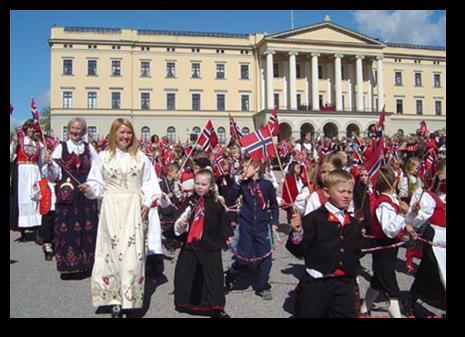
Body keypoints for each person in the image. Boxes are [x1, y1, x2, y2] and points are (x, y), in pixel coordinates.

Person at [81, 118, 161, 318]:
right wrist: (89, 188)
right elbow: (96, 182)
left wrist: (147, 201)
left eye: (128, 133)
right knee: (111, 253)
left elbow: (150, 183)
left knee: (133, 254)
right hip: (111, 208)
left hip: (133, 208)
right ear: (114, 134)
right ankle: (113, 300)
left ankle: (130, 298)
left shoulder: (141, 157)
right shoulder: (103, 156)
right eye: (121, 132)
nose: (125, 136)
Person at [286, 170, 362, 318]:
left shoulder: (352, 223)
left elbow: (356, 250)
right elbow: (298, 251)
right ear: (326, 192)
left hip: (344, 282)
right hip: (317, 282)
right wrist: (297, 232)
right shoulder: (314, 219)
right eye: (341, 191)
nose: (346, 195)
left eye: (349, 192)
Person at [168, 169, 233, 318]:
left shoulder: (216, 203)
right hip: (191, 244)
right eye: (197, 183)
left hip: (210, 245)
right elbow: (180, 217)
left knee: (212, 278)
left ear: (211, 186)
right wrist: (181, 223)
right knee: (186, 274)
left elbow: (223, 220)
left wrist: (227, 234)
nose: (199, 187)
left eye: (203, 184)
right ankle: (186, 303)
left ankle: (214, 307)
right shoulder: (189, 200)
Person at [43, 117, 99, 279]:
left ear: (83, 131)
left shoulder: (89, 149)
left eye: (79, 129)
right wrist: (48, 164)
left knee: (87, 228)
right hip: (67, 195)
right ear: (69, 130)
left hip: (86, 194)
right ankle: (68, 265)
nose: (76, 131)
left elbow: (97, 171)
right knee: (66, 228)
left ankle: (87, 264)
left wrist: (90, 185)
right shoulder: (61, 148)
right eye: (73, 128)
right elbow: (54, 175)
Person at [360, 167, 414, 318]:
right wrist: (402, 214)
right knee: (391, 289)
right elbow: (389, 230)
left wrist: (405, 226)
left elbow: (395, 223)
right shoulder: (384, 204)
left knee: (378, 281)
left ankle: (364, 310)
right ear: (394, 181)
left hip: (389, 250)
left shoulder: (391, 200)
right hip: (383, 249)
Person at [225, 159, 279, 300]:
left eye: (246, 168)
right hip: (246, 225)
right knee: (243, 258)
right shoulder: (243, 184)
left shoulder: (267, 185)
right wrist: (237, 183)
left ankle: (262, 286)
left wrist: (274, 222)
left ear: (256, 169)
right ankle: (231, 273)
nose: (243, 170)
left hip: (262, 225)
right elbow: (230, 200)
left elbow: (274, 205)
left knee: (266, 257)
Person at [403, 160, 446, 316]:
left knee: (437, 272)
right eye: (442, 179)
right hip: (435, 235)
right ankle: (411, 298)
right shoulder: (429, 196)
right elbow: (417, 219)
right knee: (432, 269)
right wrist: (413, 215)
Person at [10, 119, 44, 241]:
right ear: (25, 129)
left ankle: (36, 229)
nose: (31, 130)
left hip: (34, 171)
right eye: (29, 128)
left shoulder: (38, 144)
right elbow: (10, 156)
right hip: (22, 172)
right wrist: (13, 143)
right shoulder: (19, 141)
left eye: (33, 128)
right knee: (23, 198)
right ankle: (23, 230)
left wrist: (42, 174)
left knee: (35, 198)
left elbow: (41, 161)